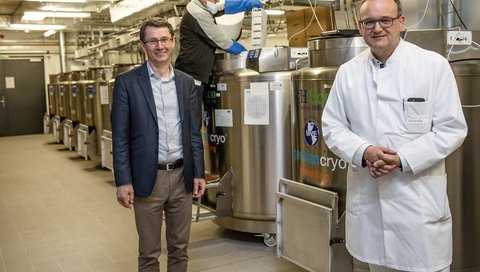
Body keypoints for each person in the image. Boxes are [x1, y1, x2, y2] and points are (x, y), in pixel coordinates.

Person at [321, 0, 468, 271]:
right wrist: (364, 151)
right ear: (359, 27)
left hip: (417, 205)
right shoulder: (348, 73)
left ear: (401, 22)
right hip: (370, 207)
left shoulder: (432, 66)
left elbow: (452, 128)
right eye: (369, 22)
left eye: (385, 20)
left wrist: (402, 158)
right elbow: (333, 126)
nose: (377, 28)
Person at [111, 18, 206, 272]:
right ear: (143, 45)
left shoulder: (187, 82)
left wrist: (198, 172)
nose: (159, 46)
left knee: (179, 250)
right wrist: (123, 180)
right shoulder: (128, 83)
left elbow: (193, 133)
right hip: (147, 178)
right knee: (149, 253)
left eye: (164, 39)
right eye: (152, 41)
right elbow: (120, 137)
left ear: (173, 42)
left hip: (181, 177)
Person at [175, 0, 263, 103]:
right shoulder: (198, 13)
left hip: (193, 75)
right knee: (192, 116)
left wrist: (247, 3)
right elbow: (223, 42)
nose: (217, 1)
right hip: (191, 77)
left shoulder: (200, 6)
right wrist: (246, 53)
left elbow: (222, 8)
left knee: (196, 114)